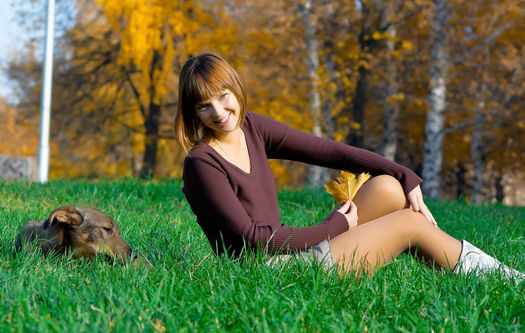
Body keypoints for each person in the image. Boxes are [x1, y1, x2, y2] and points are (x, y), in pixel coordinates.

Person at [175, 52, 523, 280]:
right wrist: (334, 226)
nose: (219, 113)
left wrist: (405, 174)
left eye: (223, 97)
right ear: (193, 113)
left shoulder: (252, 128)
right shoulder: (202, 163)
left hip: (293, 250)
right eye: (204, 107)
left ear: (235, 90)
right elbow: (253, 241)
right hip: (267, 272)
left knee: (388, 187)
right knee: (407, 223)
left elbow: (333, 153)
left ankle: (458, 263)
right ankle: (503, 279)